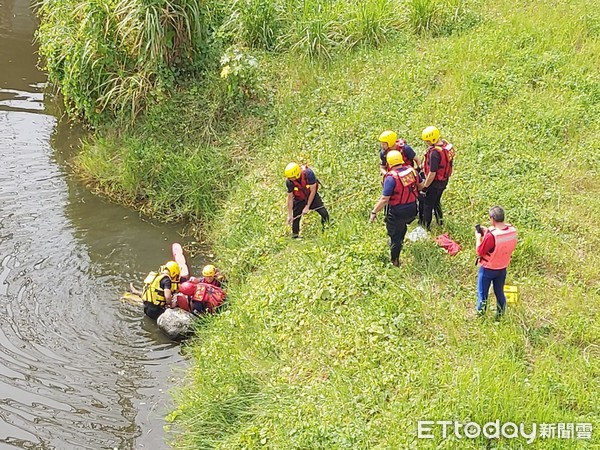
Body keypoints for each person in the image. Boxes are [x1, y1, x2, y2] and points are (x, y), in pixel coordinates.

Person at [369, 150, 423, 266]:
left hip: (397, 211)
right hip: (412, 209)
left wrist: (374, 212)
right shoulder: (412, 171)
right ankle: (400, 240)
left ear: (389, 163)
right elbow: (421, 185)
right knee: (401, 228)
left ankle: (395, 260)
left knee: (395, 237)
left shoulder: (391, 178)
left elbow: (385, 199)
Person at [475, 206, 518, 319]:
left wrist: (478, 237)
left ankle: (481, 318)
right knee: (499, 293)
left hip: (488, 269)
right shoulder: (512, 231)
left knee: (482, 294)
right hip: (502, 268)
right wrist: (487, 232)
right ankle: (500, 316)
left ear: (492, 219)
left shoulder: (491, 236)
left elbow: (480, 251)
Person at [420, 126, 455, 230]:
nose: (426, 143)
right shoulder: (445, 144)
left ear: (432, 140)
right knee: (436, 201)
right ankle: (440, 221)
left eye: (427, 141)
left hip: (435, 183)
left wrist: (425, 186)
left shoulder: (435, 153)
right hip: (444, 181)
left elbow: (432, 173)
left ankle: (426, 227)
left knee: (428, 204)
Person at [285, 162, 329, 238]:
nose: (290, 179)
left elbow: (313, 190)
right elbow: (290, 198)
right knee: (296, 217)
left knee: (324, 213)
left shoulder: (309, 174)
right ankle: (295, 236)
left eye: (291, 177)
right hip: (299, 199)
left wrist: (307, 206)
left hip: (312, 196)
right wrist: (289, 215)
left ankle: (326, 231)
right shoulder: (289, 182)